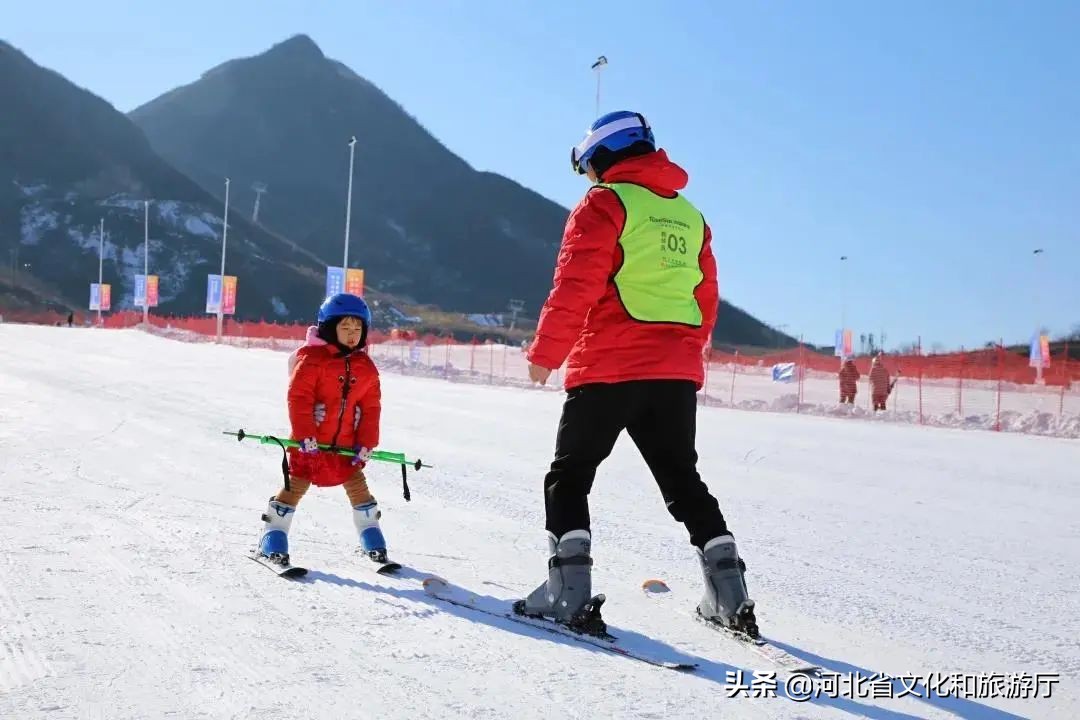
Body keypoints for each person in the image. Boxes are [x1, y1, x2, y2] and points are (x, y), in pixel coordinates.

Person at [517, 110, 757, 639]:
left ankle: (567, 594)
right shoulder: (690, 217)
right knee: (683, 482)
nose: (589, 178)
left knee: (570, 476)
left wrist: (546, 351)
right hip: (673, 374)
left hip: (607, 365)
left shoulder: (604, 203)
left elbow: (575, 284)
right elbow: (704, 299)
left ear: (601, 157)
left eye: (587, 168)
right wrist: (685, 354)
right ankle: (729, 596)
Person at [255, 293, 389, 567]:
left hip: (345, 445)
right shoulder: (312, 359)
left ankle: (370, 534)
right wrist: (305, 436)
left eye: (357, 329)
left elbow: (371, 408)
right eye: (345, 328)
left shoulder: (365, 367)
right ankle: (273, 535)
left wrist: (366, 443)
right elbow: (299, 399)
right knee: (296, 485)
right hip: (311, 443)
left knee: (357, 486)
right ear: (329, 328)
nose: (352, 335)